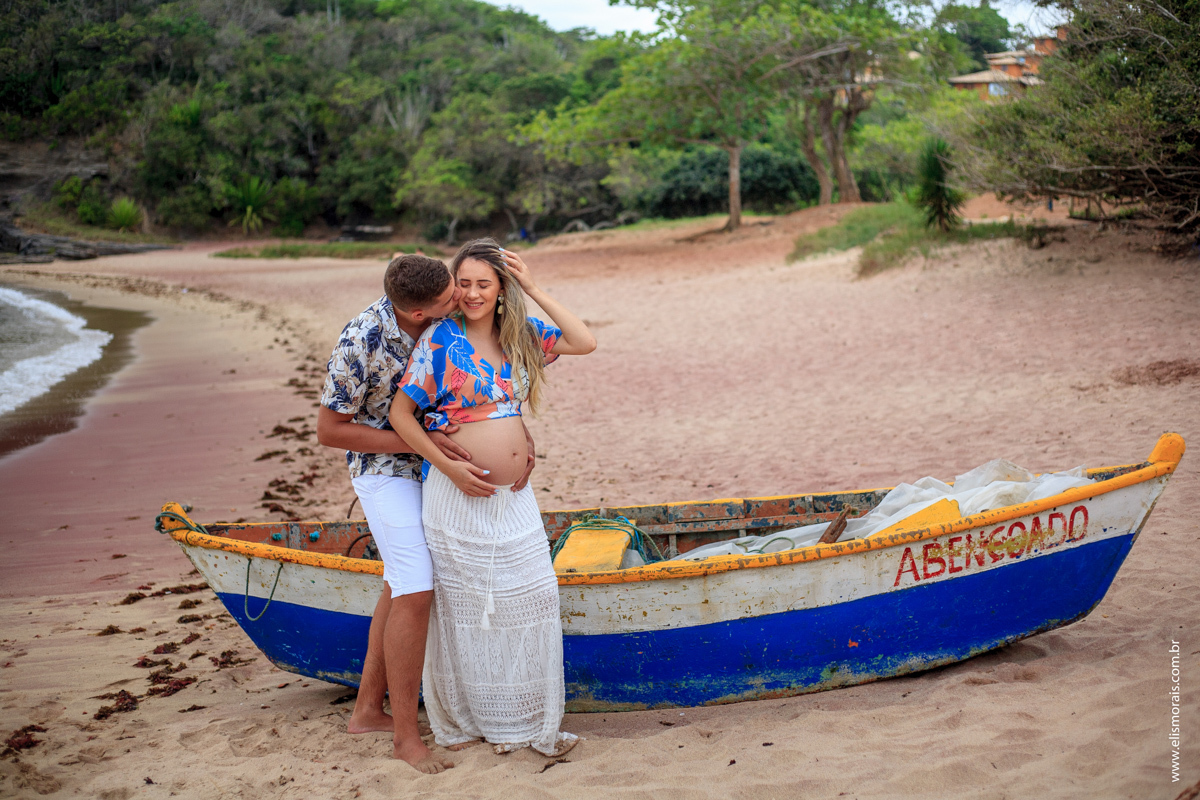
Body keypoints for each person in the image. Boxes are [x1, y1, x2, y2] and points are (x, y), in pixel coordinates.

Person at [315, 253, 537, 772]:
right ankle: (405, 738)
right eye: (449, 299)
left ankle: (367, 708)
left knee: (399, 579)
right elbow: (330, 430)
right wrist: (420, 444)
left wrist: (516, 433)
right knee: (415, 586)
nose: (461, 299)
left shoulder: (445, 315)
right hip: (384, 470)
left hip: (434, 470)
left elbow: (487, 382)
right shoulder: (361, 342)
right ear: (419, 314)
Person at [388, 238, 597, 757]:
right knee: (468, 608)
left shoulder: (521, 334)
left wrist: (532, 285)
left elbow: (585, 340)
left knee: (533, 596)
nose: (473, 293)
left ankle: (525, 721)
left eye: (485, 283)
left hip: (513, 498)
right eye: (465, 283)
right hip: (457, 496)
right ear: (452, 287)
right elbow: (400, 416)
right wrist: (448, 469)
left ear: (502, 288)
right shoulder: (440, 340)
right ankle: (482, 722)